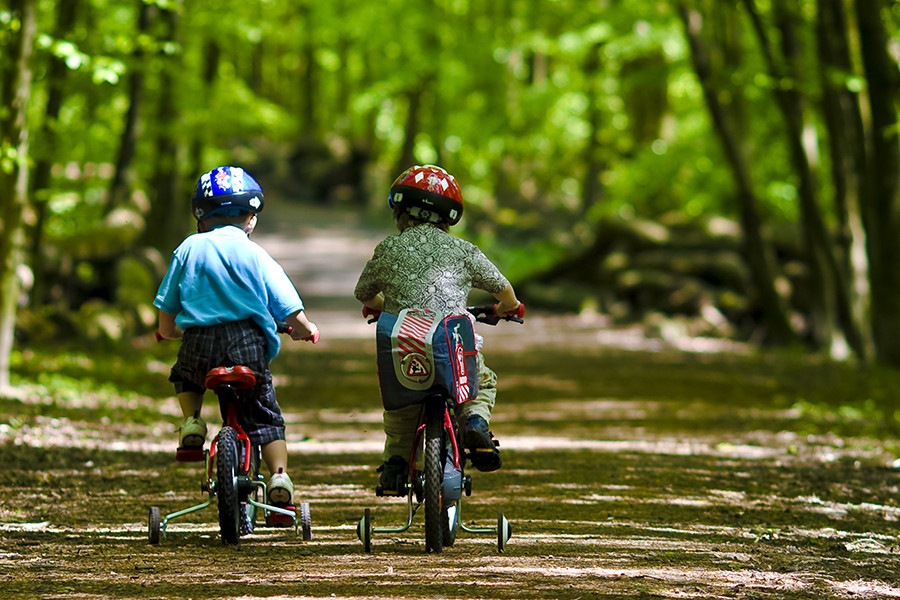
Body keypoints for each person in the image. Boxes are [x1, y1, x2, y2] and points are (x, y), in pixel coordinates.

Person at [154, 165, 319, 507]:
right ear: (251, 219)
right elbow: (287, 307)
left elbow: (167, 305)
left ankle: (192, 424)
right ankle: (279, 477)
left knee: (185, 376)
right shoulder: (256, 254)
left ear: (201, 216)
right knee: (265, 416)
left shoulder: (188, 248)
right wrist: (306, 330)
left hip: (199, 342)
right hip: (247, 345)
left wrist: (168, 332)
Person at [354, 164, 521, 494]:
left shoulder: (388, 249)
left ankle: (396, 463)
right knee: (479, 380)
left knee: (402, 403)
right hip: (450, 341)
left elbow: (363, 293)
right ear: (449, 218)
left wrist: (377, 304)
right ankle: (474, 421)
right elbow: (503, 289)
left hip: (407, 342)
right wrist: (508, 308)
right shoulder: (463, 250)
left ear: (400, 212)